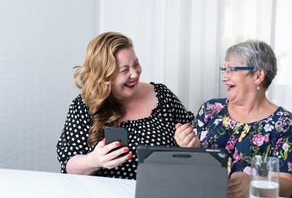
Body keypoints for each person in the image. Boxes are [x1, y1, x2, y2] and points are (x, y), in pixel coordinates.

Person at [174, 40, 292, 198]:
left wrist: (253, 183)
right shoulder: (210, 109)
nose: (223, 77)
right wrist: (190, 148)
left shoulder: (285, 123)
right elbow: (193, 169)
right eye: (224, 69)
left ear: (258, 75)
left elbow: (288, 184)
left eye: (231, 69)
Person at [57, 32, 194, 179]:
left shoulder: (162, 96)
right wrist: (93, 160)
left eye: (136, 64)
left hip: (161, 193)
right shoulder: (83, 106)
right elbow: (68, 164)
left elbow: (195, 146)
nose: (135, 74)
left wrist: (192, 144)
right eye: (124, 70)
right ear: (105, 76)